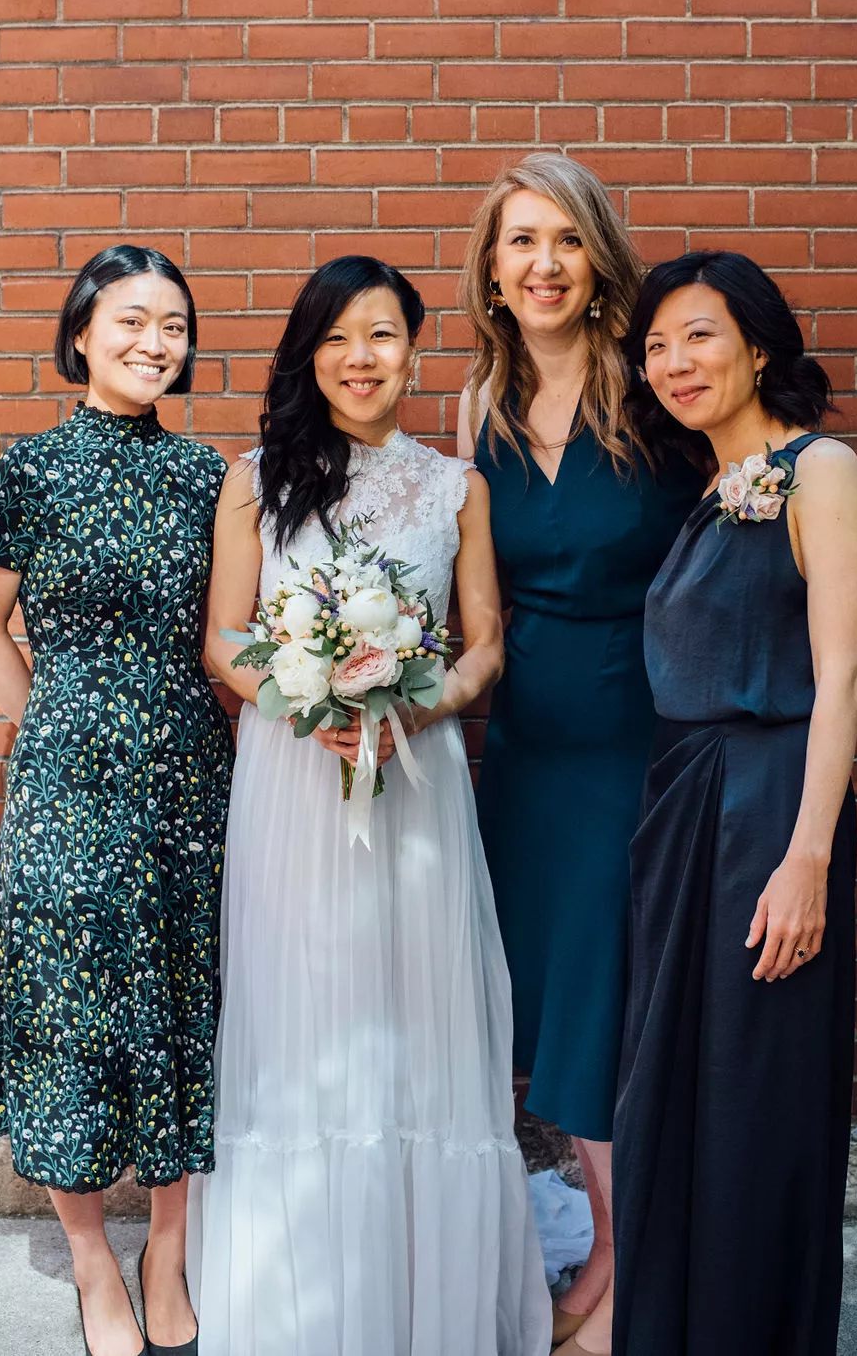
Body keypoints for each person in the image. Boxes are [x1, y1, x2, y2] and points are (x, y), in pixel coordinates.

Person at [186, 255, 551, 1356]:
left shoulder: (455, 487)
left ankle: (420, 1297)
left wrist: (416, 701)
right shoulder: (255, 477)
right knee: (302, 1009)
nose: (361, 357)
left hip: (417, 775)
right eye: (339, 337)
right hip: (294, 778)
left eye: (383, 334)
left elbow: (485, 642)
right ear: (309, 352)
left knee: (414, 1013)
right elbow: (223, 637)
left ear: (413, 347)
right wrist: (312, 697)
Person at [0, 245, 233, 1356]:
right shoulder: (27, 468)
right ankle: (88, 1263)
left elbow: (227, 636)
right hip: (65, 785)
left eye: (172, 325)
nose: (153, 342)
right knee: (69, 1012)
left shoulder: (211, 476)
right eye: (131, 320)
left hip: (188, 781)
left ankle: (166, 1246)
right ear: (82, 333)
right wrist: (54, 733)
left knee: (183, 996)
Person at [456, 153, 702, 1356]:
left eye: (563, 240)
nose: (541, 264)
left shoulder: (655, 389)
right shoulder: (476, 409)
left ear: (597, 258)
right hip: (524, 748)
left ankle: (616, 1261)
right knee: (546, 1004)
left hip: (637, 736)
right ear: (491, 273)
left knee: (604, 1005)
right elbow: (473, 605)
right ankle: (615, 1235)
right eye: (519, 243)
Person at [611, 251, 857, 1356]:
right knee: (668, 1092)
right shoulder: (712, 490)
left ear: (759, 345)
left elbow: (843, 676)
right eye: (656, 345)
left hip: (768, 810)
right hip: (682, 808)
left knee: (750, 1093)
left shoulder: (818, 470)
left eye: (700, 335)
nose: (674, 362)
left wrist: (806, 855)